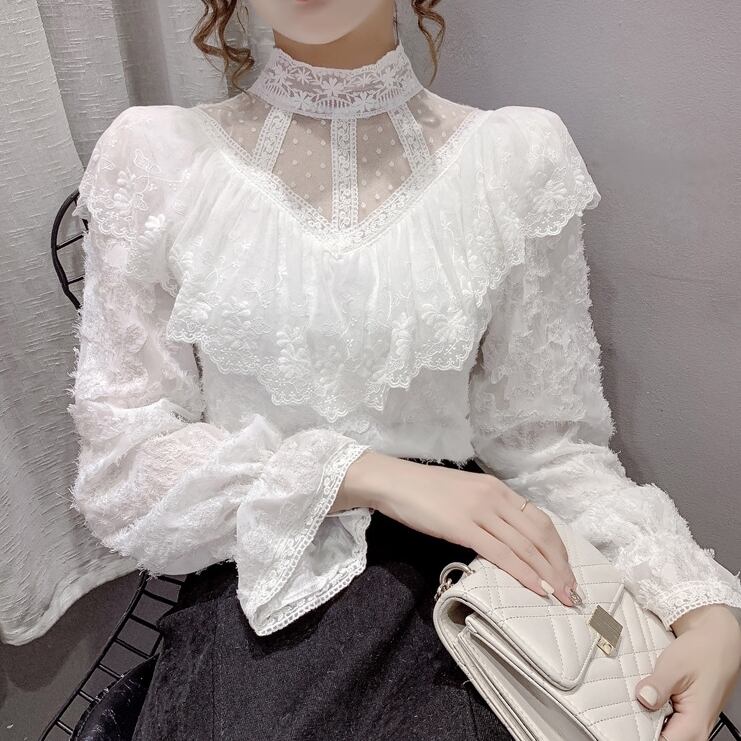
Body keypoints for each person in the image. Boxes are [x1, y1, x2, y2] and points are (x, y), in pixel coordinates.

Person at [67, 0, 741, 738]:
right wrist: (368, 475)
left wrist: (696, 601)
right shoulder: (157, 156)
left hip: (466, 604)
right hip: (258, 590)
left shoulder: (512, 159)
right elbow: (123, 465)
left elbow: (547, 447)